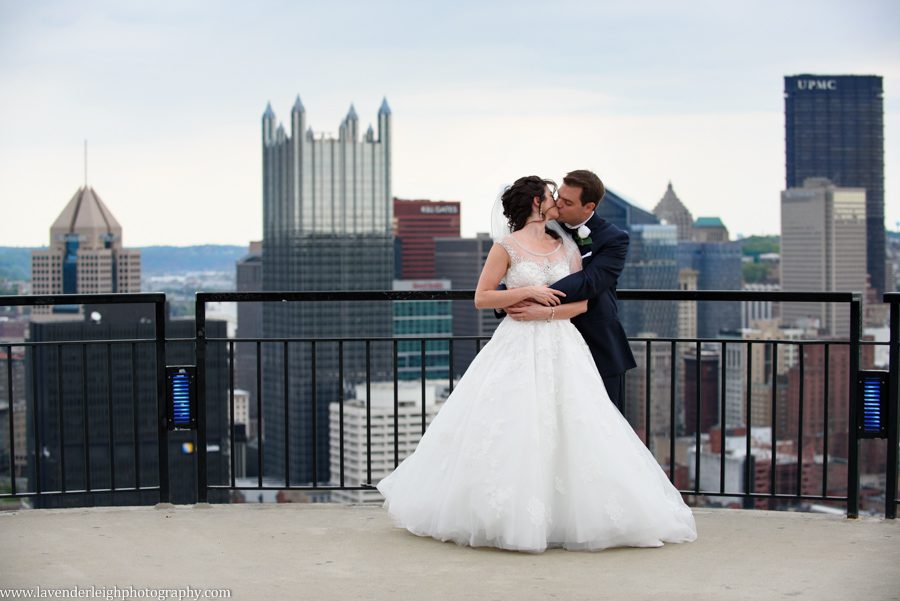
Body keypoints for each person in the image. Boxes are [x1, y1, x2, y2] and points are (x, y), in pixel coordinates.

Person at [376, 175, 697, 553]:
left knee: (573, 424)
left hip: (562, 342)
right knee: (513, 422)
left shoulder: (566, 247)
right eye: (551, 196)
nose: (556, 201)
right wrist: (526, 292)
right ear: (535, 202)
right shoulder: (505, 246)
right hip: (515, 345)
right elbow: (482, 298)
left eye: (560, 197)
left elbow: (585, 303)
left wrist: (546, 313)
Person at [507, 169, 635, 412]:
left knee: (605, 424)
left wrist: (534, 295)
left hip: (598, 345)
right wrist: (510, 295)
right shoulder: (546, 228)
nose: (558, 205)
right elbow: (520, 264)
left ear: (589, 207)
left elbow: (589, 282)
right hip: (547, 347)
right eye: (558, 197)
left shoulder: (614, 239)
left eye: (567, 202)